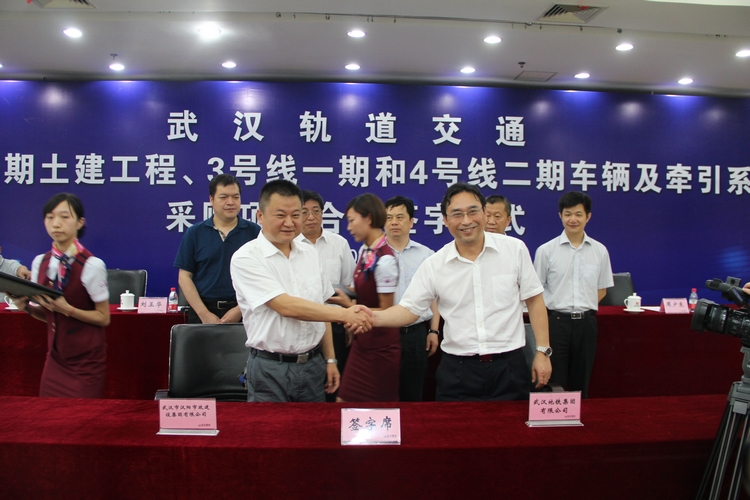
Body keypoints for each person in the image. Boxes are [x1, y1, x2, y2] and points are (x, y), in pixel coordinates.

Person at [365, 183, 552, 402]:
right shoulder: (435, 264)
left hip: (509, 368)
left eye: (472, 211)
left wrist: (543, 351)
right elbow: (408, 310)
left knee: (512, 425)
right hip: (458, 371)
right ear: (445, 220)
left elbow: (534, 300)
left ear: (484, 212)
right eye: (457, 214)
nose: (466, 221)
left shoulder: (514, 249)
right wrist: (369, 317)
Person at [230, 180, 373, 403]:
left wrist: (330, 360)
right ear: (260, 216)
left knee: (314, 426)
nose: (289, 223)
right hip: (270, 368)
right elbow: (285, 306)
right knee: (270, 426)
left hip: (313, 365)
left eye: (296, 215)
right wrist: (345, 314)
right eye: (280, 215)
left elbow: (320, 309)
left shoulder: (310, 254)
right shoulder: (246, 258)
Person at [11, 193, 110, 398]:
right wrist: (27, 307)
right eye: (50, 217)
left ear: (80, 222)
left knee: (82, 416)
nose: (56, 223)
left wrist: (68, 309)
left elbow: (103, 318)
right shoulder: (40, 262)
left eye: (64, 217)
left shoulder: (92, 265)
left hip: (86, 362)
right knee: (48, 414)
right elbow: (51, 314)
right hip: (55, 359)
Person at [533, 191, 613, 399]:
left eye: (578, 214)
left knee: (582, 379)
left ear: (588, 217)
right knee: (554, 380)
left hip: (586, 324)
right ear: (560, 216)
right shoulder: (546, 251)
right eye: (568, 214)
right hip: (556, 323)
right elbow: (536, 290)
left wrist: (582, 306)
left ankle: (580, 416)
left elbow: (602, 289)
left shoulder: (600, 251)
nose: (573, 219)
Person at [329, 193, 400, 402]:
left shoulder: (385, 260)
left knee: (376, 409)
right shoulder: (367, 251)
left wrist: (349, 306)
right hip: (363, 341)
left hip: (381, 346)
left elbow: (387, 311)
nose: (349, 227)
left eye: (352, 221)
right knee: (345, 402)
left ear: (368, 218)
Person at [174, 174, 260, 324]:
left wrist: (240, 309)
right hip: (203, 311)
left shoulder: (255, 232)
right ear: (211, 200)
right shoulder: (195, 233)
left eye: (235, 197)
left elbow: (262, 277)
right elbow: (184, 277)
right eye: (223, 197)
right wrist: (204, 314)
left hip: (245, 312)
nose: (230, 202)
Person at [295, 190, 355, 401]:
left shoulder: (339, 243)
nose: (311, 217)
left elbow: (349, 285)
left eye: (316, 211)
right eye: (304, 212)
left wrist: (349, 323)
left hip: (336, 322)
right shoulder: (290, 245)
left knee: (335, 382)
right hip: (303, 325)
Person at [384, 195, 440, 402]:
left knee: (413, 395)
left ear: (411, 222)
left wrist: (434, 330)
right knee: (382, 394)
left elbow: (434, 297)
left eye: (400, 217)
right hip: (382, 334)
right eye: (389, 217)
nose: (394, 222)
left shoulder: (426, 255)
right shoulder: (371, 254)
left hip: (416, 334)